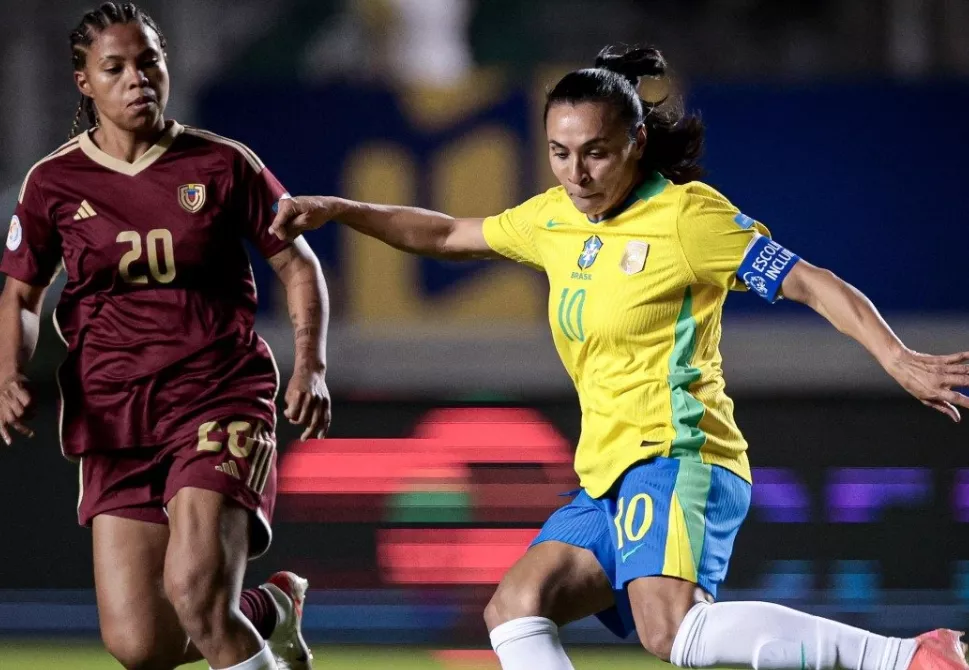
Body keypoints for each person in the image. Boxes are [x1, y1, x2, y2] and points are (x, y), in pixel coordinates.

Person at [268, 44, 969, 670]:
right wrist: (342, 210)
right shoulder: (553, 217)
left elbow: (809, 281)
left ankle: (906, 657)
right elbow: (448, 233)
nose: (576, 173)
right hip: (606, 474)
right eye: (559, 152)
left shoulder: (688, 217)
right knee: (515, 608)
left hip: (677, 453)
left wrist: (896, 357)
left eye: (595, 152)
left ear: (635, 141)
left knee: (670, 631)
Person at [0, 4, 329, 670]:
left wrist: (311, 365)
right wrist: (9, 371)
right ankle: (271, 608)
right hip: (114, 417)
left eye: (148, 62)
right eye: (115, 67)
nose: (137, 78)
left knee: (195, 592)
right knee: (141, 645)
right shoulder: (53, 183)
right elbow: (21, 296)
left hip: (216, 396)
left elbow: (298, 266)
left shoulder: (221, 164)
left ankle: (239, 616)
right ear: (84, 82)